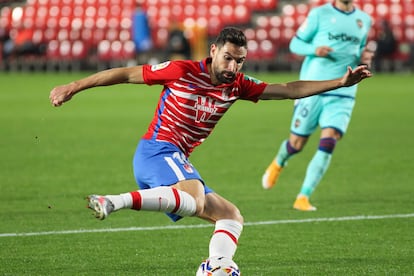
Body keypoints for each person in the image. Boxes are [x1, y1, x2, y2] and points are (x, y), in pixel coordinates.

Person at [49, 27, 371, 263]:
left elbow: (287, 88)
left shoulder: (238, 86)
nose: (232, 67)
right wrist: (74, 86)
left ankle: (216, 267)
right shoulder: (182, 71)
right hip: (157, 150)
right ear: (214, 50)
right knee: (195, 195)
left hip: (174, 160)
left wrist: (339, 83)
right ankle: (112, 201)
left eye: (240, 61)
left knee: (230, 215)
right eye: (228, 58)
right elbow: (125, 74)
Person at [261, 0, 374, 211]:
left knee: (330, 140)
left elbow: (359, 51)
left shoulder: (364, 20)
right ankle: (279, 161)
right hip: (312, 88)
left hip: (344, 91)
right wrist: (315, 49)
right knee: (296, 143)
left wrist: (365, 56)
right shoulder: (319, 15)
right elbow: (295, 44)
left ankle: (303, 196)